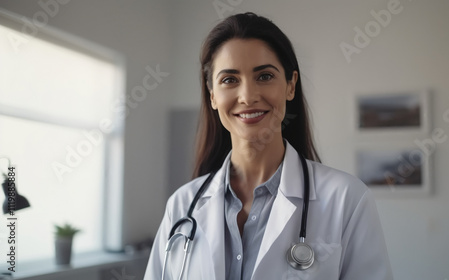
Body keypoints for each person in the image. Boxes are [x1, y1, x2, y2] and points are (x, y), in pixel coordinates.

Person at [144, 12, 393, 280]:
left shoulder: (347, 199)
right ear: (212, 95)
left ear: (290, 85)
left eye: (264, 76)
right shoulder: (182, 205)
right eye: (230, 79)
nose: (248, 96)